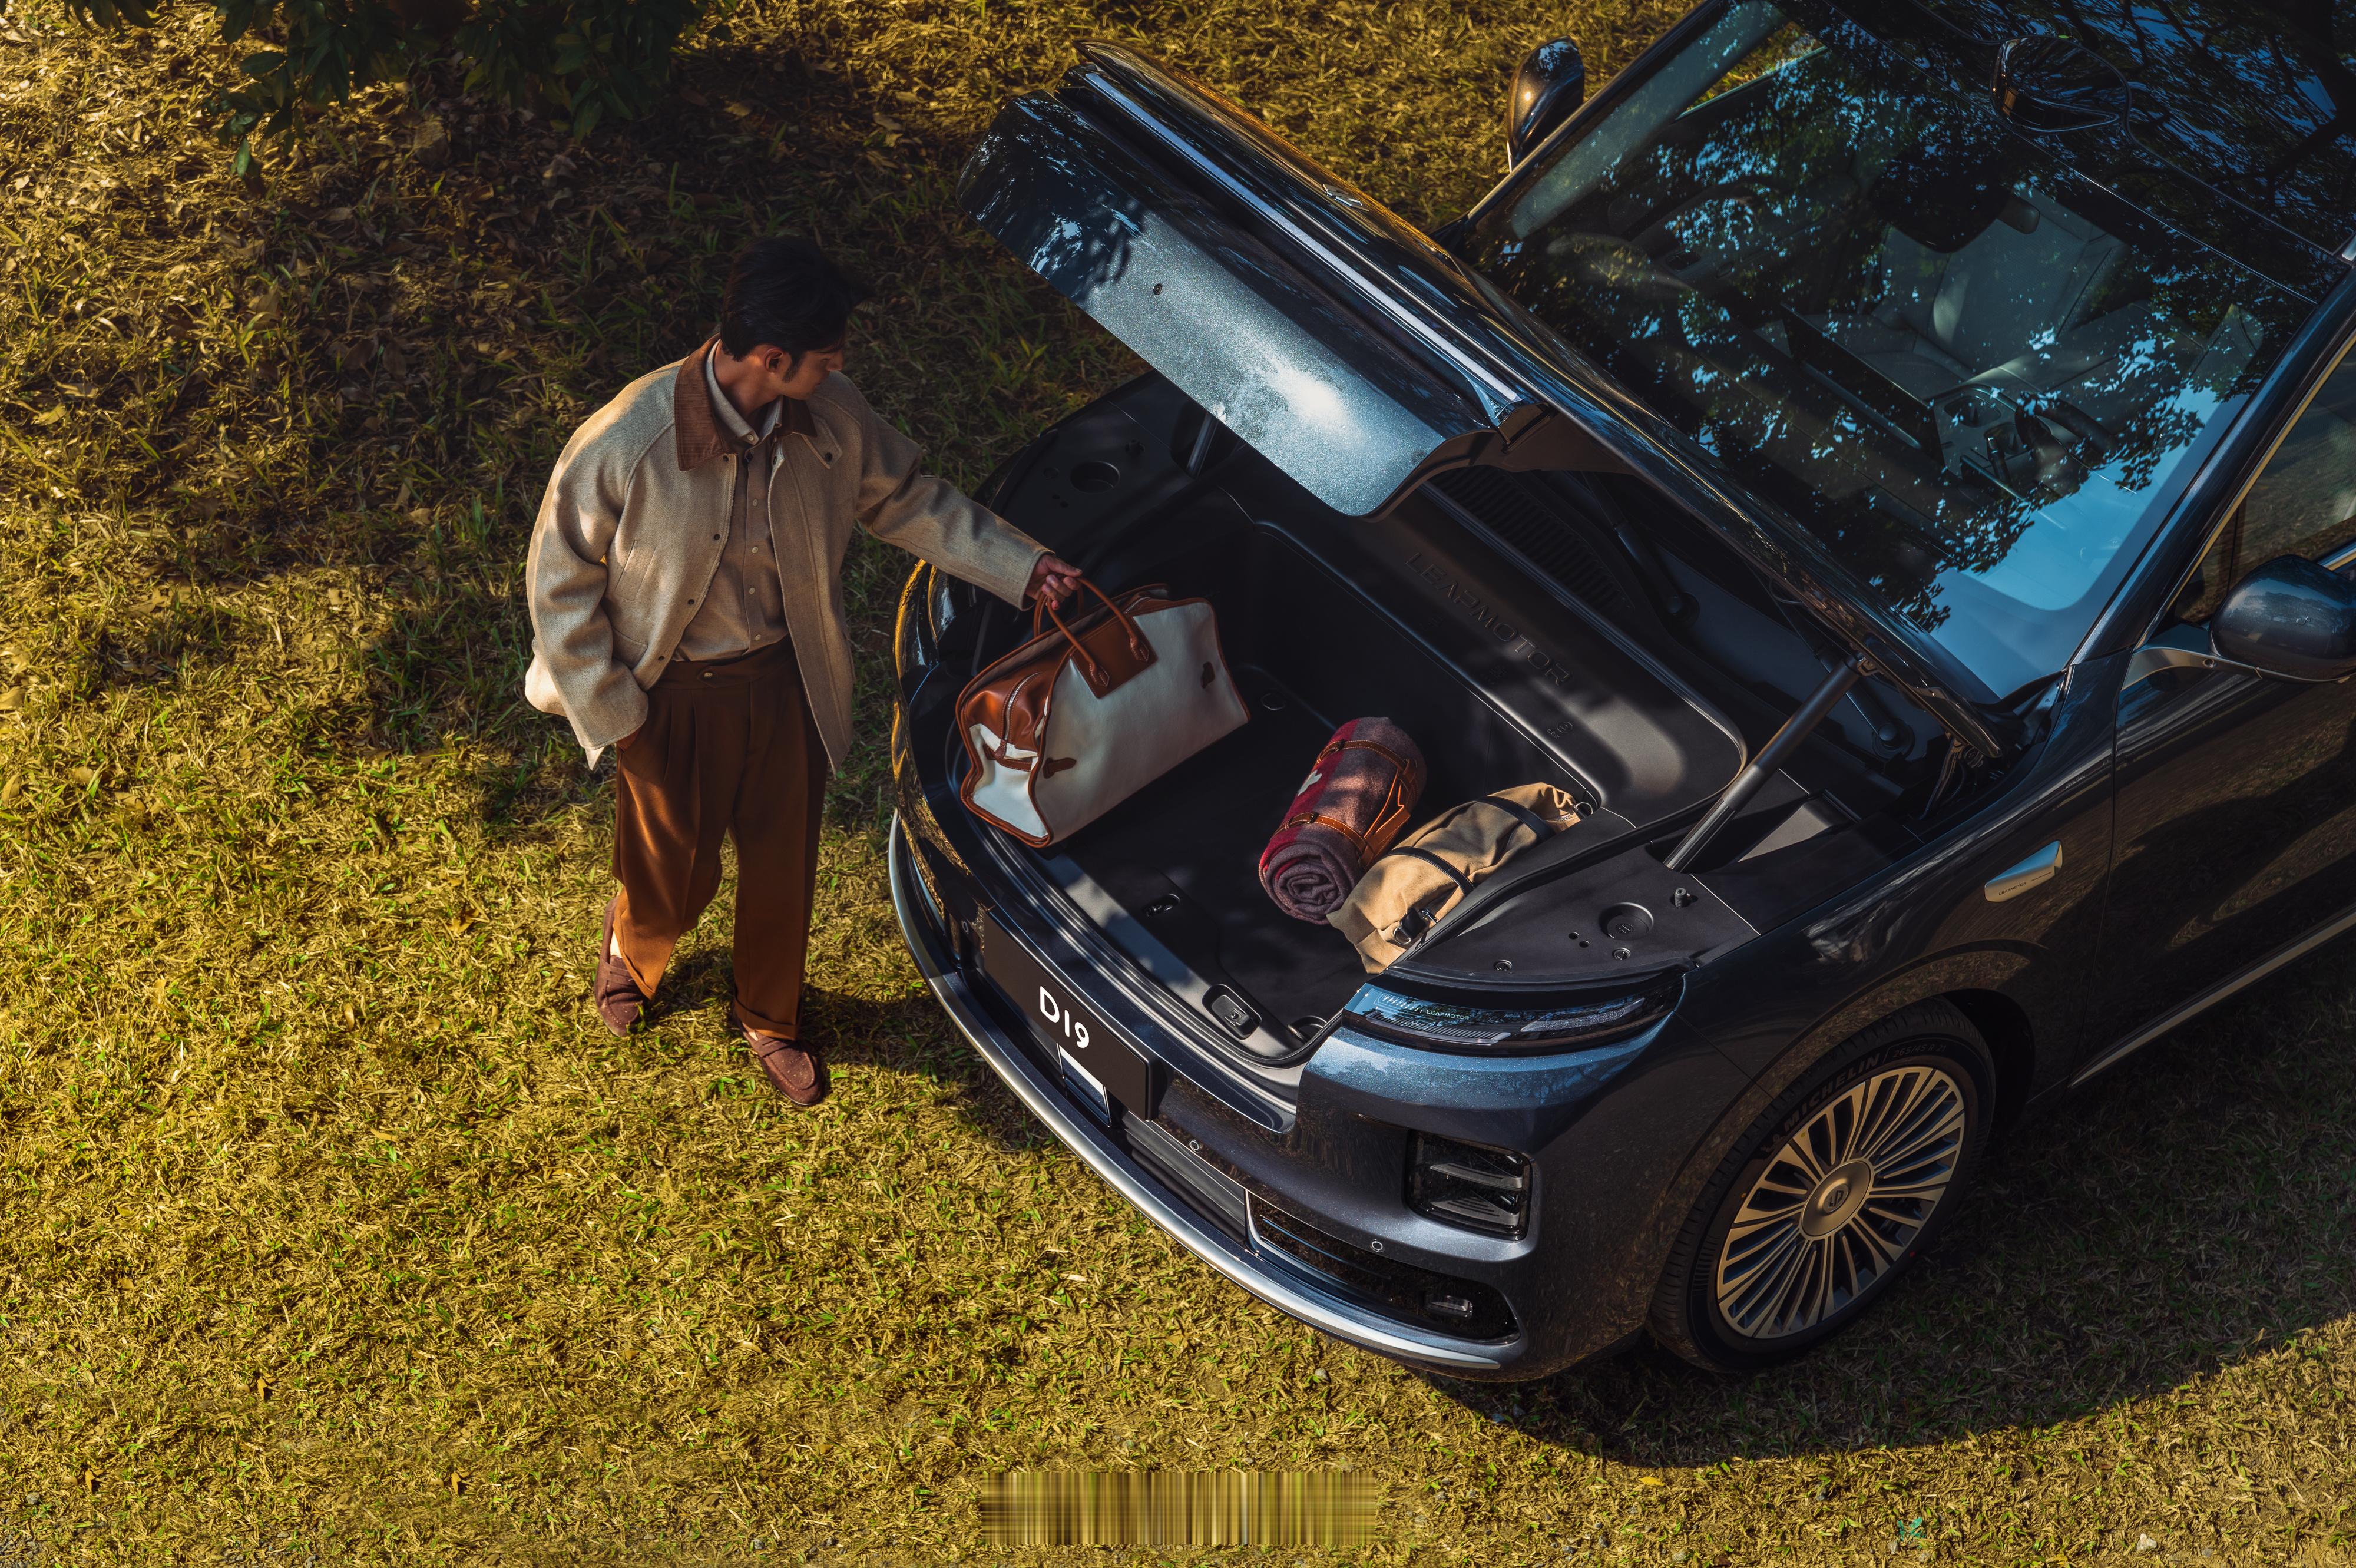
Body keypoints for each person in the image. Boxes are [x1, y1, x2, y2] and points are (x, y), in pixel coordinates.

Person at [522, 234, 1081, 1106]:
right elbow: (558, 584)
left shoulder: (832, 415)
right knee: (672, 873)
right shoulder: (629, 438)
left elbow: (908, 499)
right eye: (826, 356)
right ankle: (634, 943)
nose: (840, 367)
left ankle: (769, 1015)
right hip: (669, 699)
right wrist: (617, 712)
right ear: (772, 359)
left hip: (786, 687)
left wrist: (1022, 565)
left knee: (783, 869)